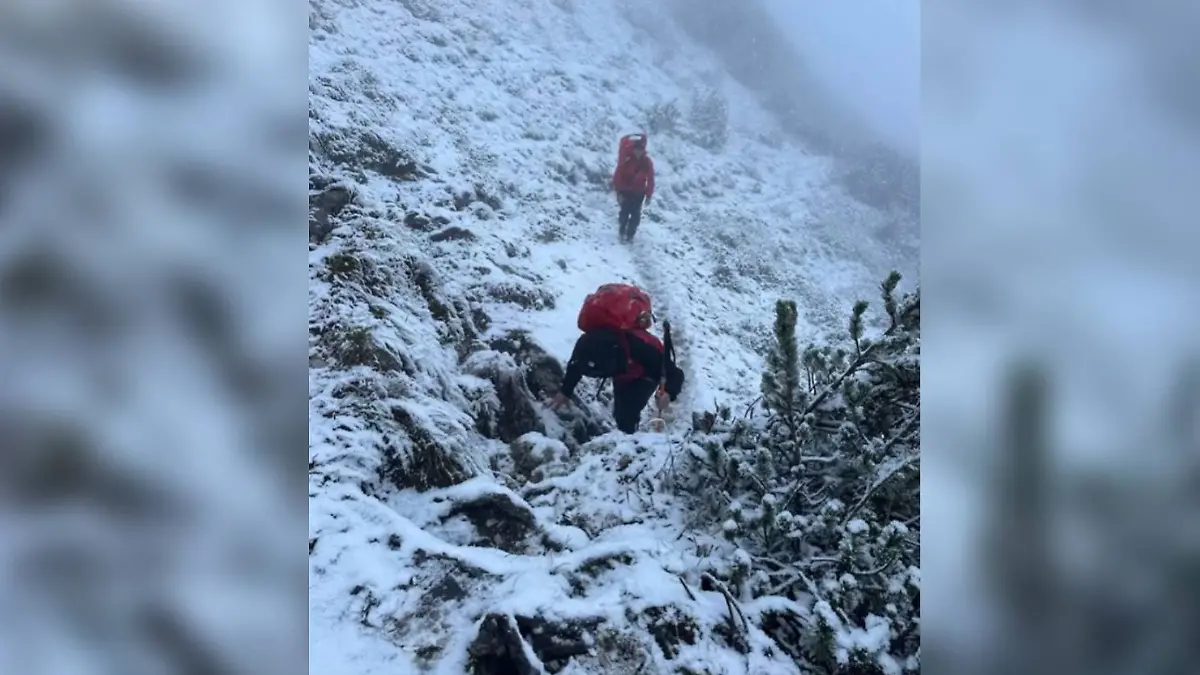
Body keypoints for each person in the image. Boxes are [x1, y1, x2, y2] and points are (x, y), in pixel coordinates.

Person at [550, 283, 684, 433]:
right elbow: (576, 365)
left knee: (626, 414)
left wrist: (668, 393)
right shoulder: (590, 342)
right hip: (622, 373)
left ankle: (630, 440)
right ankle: (626, 435)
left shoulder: (642, 346)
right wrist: (565, 392)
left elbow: (674, 373)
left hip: (644, 375)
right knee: (622, 416)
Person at [611, 134, 655, 243]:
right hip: (625, 190)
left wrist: (649, 195)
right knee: (625, 212)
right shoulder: (627, 159)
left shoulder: (647, 162)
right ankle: (622, 230)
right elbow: (619, 173)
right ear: (633, 149)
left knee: (635, 214)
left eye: (640, 150)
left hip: (639, 192)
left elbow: (650, 178)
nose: (638, 152)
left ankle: (630, 234)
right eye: (636, 149)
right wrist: (618, 190)